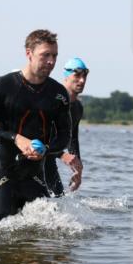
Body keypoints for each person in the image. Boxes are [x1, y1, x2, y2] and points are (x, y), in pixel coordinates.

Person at [0, 29, 71, 223]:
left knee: (46, 236)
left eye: (55, 56)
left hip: (34, 176)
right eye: (45, 55)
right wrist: (16, 138)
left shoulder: (58, 94)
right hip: (4, 174)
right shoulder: (3, 85)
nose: (51, 61)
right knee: (3, 237)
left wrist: (47, 149)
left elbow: (64, 136)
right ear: (29, 53)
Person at [44, 57, 88, 195]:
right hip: (32, 159)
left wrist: (78, 169)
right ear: (66, 76)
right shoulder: (53, 100)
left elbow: (72, 139)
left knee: (58, 201)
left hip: (49, 160)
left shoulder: (77, 108)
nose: (82, 80)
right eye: (77, 75)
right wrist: (62, 155)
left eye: (84, 76)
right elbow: (40, 136)